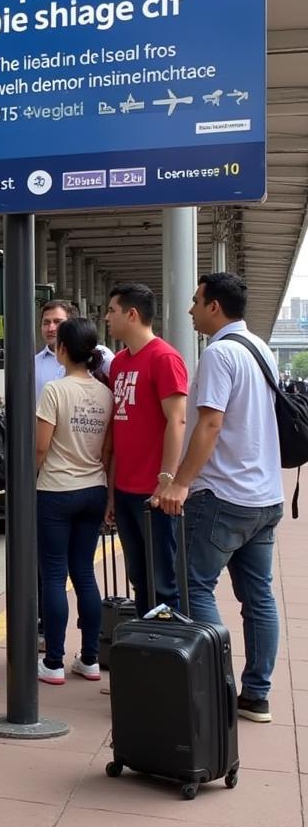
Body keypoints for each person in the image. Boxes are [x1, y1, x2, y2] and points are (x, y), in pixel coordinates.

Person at [153, 273, 284, 723]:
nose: (190, 310)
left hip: (223, 495)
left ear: (214, 307)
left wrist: (180, 482)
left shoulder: (220, 354)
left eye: (195, 302)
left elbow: (209, 425)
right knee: (259, 597)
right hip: (265, 498)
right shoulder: (260, 349)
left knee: (195, 587)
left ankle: (216, 687)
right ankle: (256, 694)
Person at [35, 318, 114, 685]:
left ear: (63, 350)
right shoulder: (105, 393)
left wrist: (30, 479)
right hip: (94, 489)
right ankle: (91, 658)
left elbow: (40, 446)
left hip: (55, 490)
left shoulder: (54, 389)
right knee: (83, 572)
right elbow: (109, 450)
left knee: (53, 574)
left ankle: (52, 661)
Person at [105, 282, 188, 615]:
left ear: (132, 314)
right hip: (125, 490)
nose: (107, 318)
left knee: (164, 581)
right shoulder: (119, 363)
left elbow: (177, 421)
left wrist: (166, 480)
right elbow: (118, 429)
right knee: (138, 578)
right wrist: (111, 492)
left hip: (155, 494)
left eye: (112, 311)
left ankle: (169, 654)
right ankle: (146, 650)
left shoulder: (165, 358)